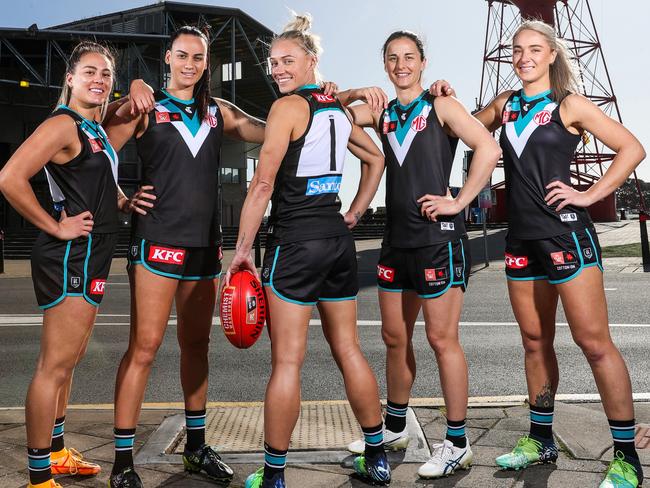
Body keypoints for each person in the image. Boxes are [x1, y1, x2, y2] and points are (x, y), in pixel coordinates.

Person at [433, 19, 645, 488]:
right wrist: (441, 94)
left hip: (567, 236)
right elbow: (457, 124)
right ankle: (540, 438)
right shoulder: (506, 105)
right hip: (521, 240)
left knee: (594, 344)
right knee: (534, 341)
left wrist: (590, 194)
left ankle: (627, 457)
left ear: (551, 55)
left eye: (534, 49)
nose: (524, 56)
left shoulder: (570, 104)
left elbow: (632, 147)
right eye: (517, 49)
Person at [224, 13, 390, 488]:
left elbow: (261, 184)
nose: (277, 69)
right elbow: (375, 157)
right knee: (349, 351)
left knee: (287, 363)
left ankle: (274, 476)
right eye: (273, 62)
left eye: (288, 60)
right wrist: (355, 212)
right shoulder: (337, 109)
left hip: (294, 245)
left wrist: (240, 252)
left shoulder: (288, 109)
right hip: (338, 244)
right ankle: (375, 456)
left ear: (312, 61)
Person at [103, 25, 269, 487]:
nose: (190, 63)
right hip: (155, 243)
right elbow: (96, 152)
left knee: (197, 346)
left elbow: (277, 127)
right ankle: (122, 462)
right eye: (182, 55)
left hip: (203, 248)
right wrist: (121, 200)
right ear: (168, 61)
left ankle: (195, 448)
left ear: (206, 65)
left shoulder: (219, 111)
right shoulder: (145, 107)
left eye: (198, 57)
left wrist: (337, 94)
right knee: (145, 347)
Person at [336, 31, 501, 480]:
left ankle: (458, 442)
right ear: (385, 65)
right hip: (397, 241)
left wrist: (460, 201)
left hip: (439, 240)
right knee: (394, 338)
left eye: (410, 57)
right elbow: (330, 113)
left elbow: (488, 147)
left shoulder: (441, 105)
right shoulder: (383, 112)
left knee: (441, 340)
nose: (401, 64)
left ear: (424, 63)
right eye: (393, 58)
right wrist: (354, 93)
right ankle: (394, 429)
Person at [0, 41, 128, 488]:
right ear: (70, 79)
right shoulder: (63, 124)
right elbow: (10, 178)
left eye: (107, 73)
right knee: (52, 366)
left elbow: (95, 187)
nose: (100, 79)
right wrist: (55, 228)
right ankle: (39, 478)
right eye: (90, 71)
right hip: (71, 255)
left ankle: (54, 453)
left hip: (93, 254)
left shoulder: (94, 130)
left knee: (67, 363)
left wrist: (124, 202)